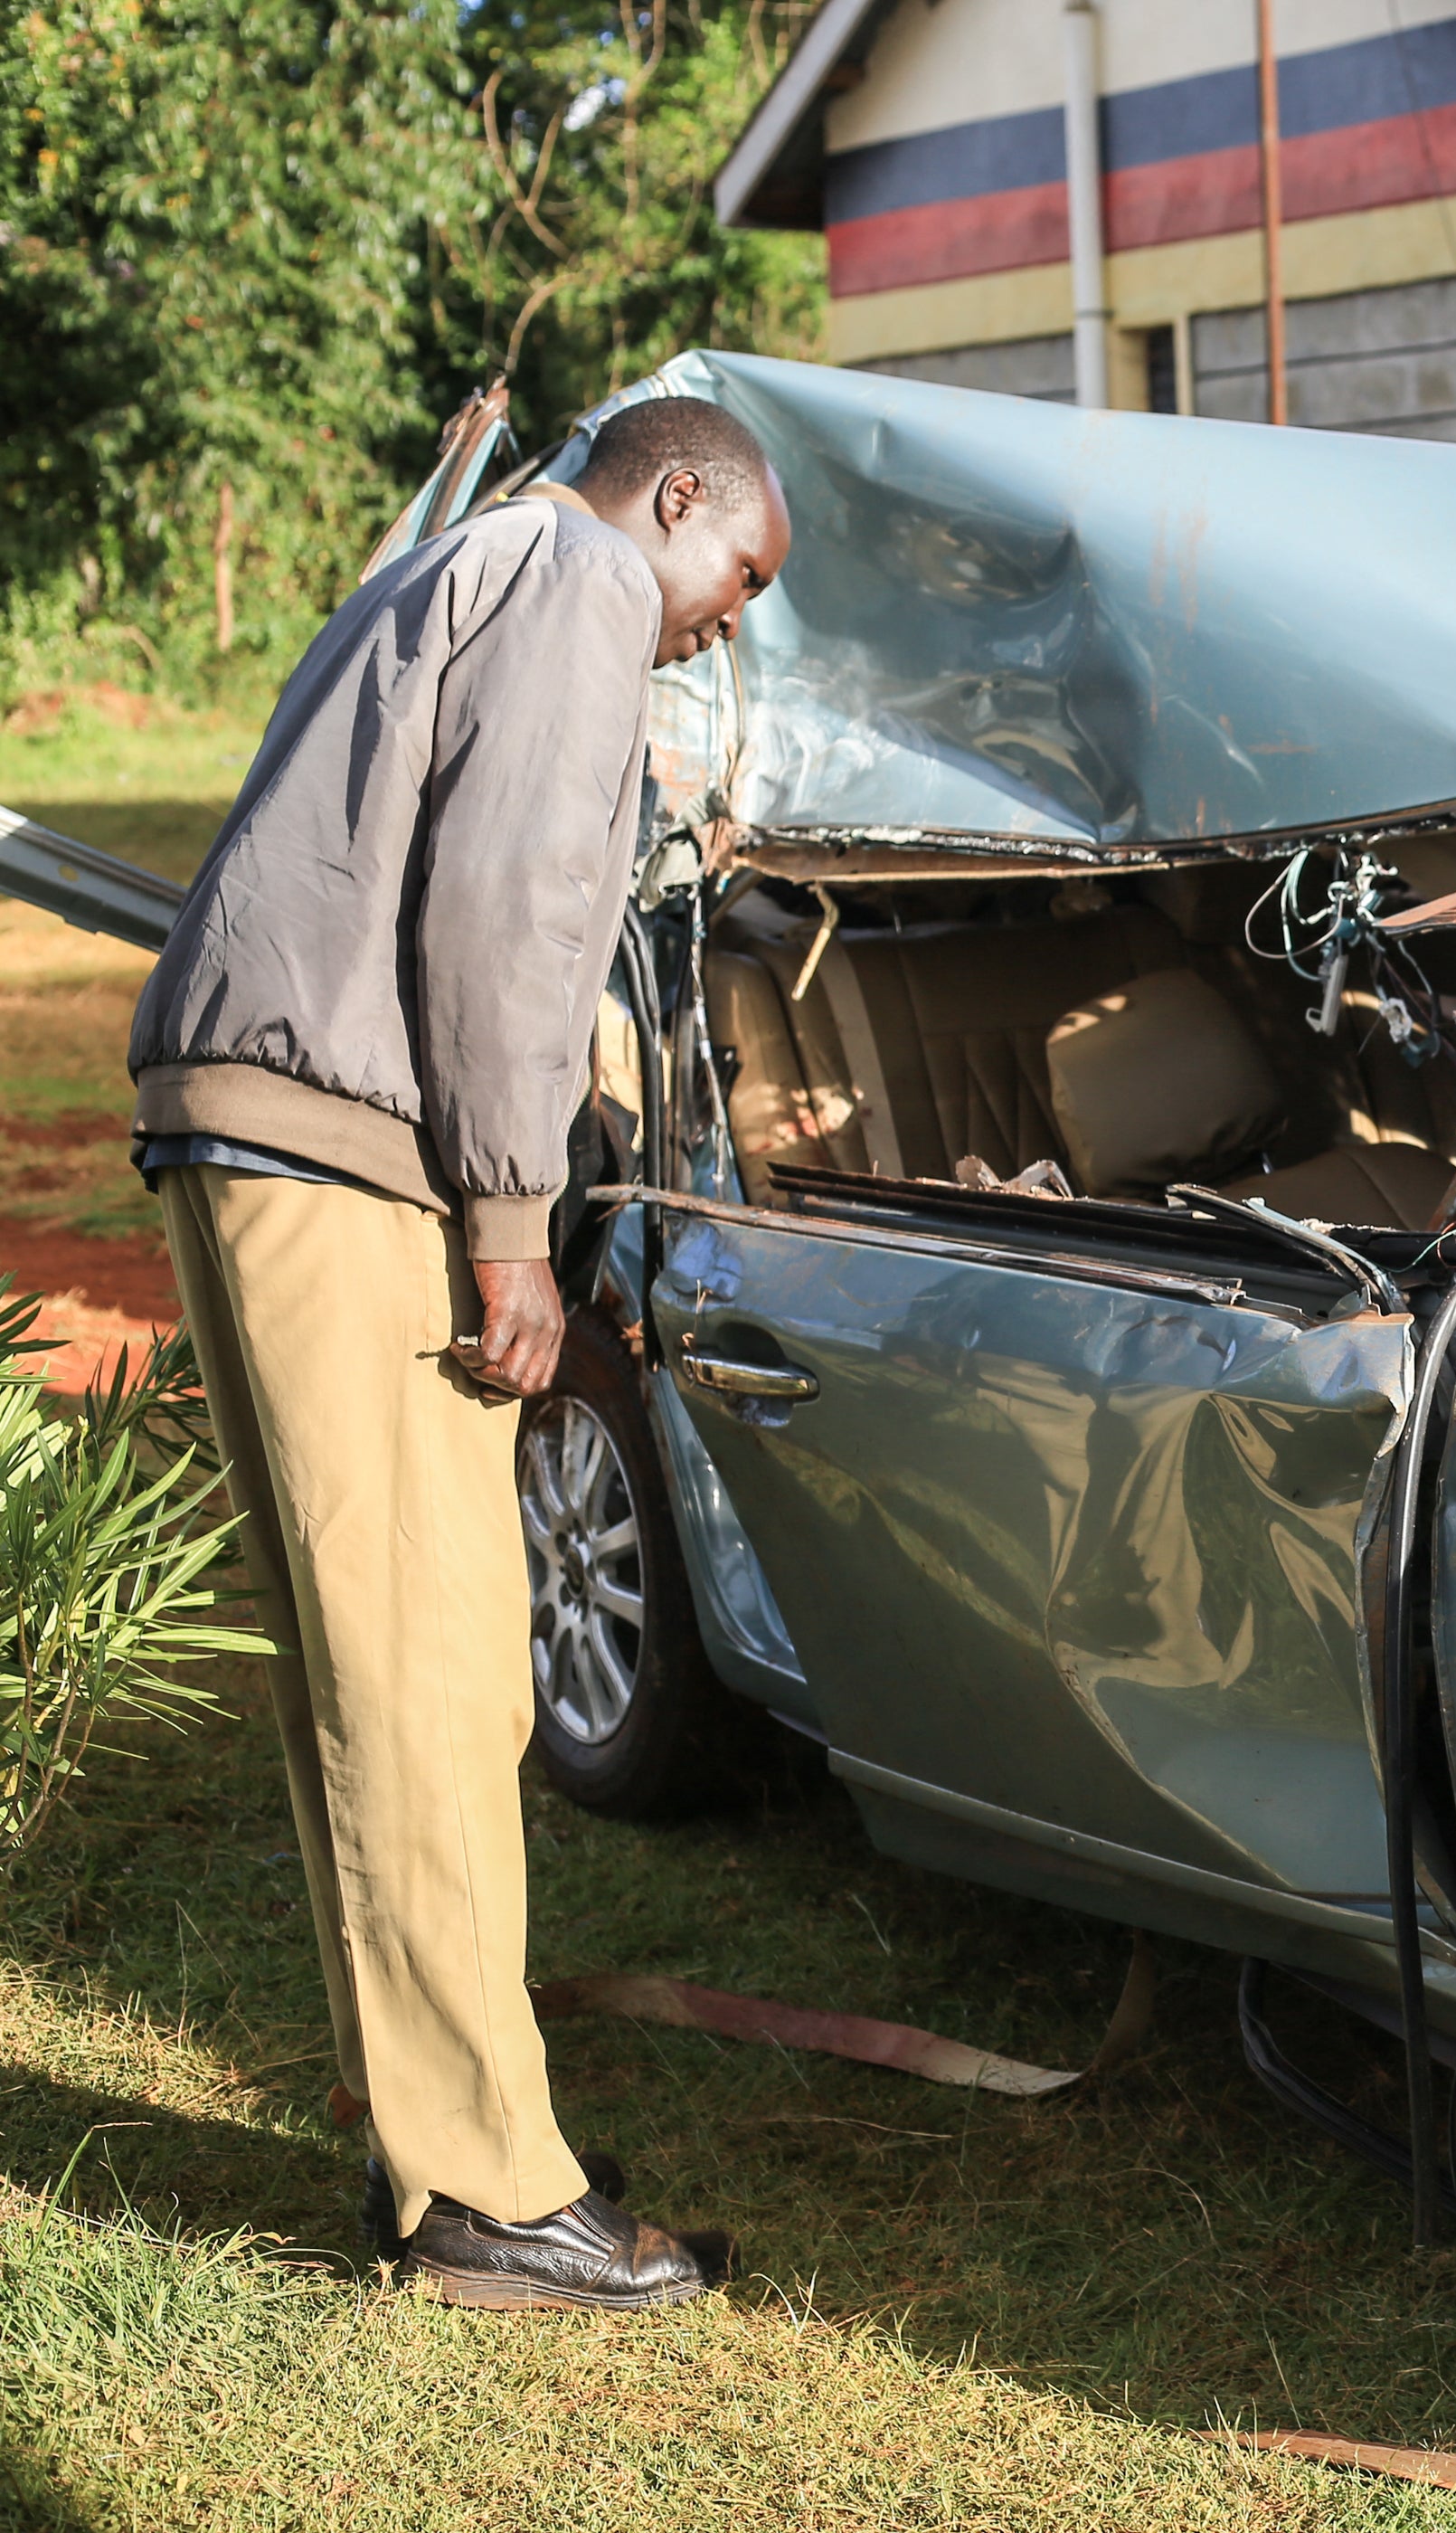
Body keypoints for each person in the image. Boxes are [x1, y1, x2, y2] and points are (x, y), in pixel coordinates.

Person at [129, 396, 791, 2310]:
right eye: (735, 575)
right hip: (344, 1150)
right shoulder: (580, 576)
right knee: (434, 1678)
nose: (720, 623)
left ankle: (424, 2141)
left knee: (370, 1671)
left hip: (244, 1114)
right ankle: (496, 2191)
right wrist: (516, 1229)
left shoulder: (454, 555)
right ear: (676, 499)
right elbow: (502, 915)